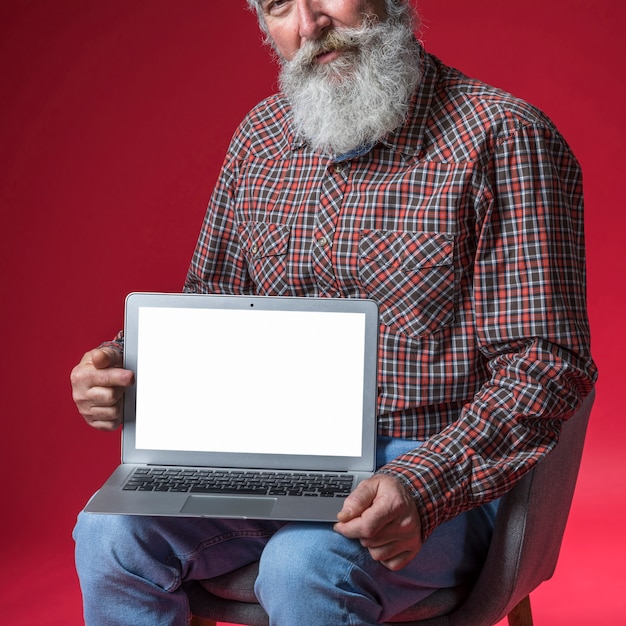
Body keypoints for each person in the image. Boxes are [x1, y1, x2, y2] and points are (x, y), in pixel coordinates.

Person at [71, 1, 597, 624]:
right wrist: (122, 366)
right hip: (274, 462)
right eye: (279, 5)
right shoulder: (261, 137)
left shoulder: (504, 136)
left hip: (438, 469)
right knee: (108, 533)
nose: (310, 22)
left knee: (304, 565)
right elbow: (210, 306)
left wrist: (424, 486)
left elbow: (546, 365)